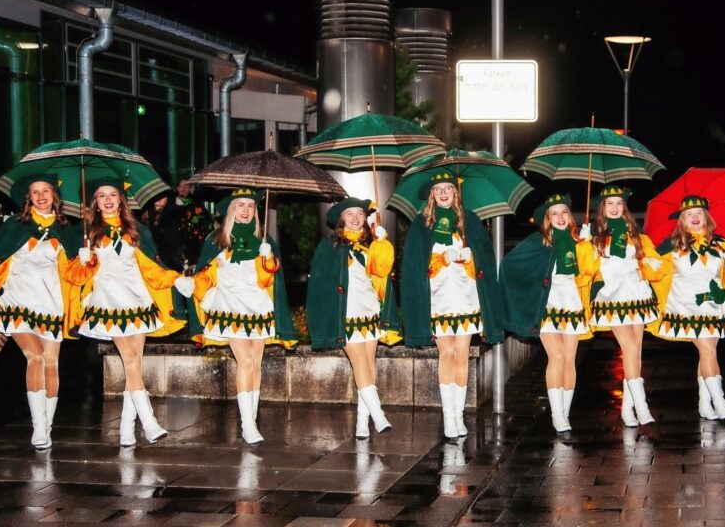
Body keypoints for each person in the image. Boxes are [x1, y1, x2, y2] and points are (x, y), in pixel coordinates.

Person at [65, 178, 190, 446]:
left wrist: (175, 278)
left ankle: (126, 428)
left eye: (112, 194)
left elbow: (150, 267)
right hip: (109, 301)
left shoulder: (136, 229)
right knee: (131, 359)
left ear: (121, 199)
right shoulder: (86, 231)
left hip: (138, 301)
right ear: (95, 202)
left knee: (134, 362)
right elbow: (73, 276)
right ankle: (149, 420)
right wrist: (83, 262)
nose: (108, 200)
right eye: (101, 196)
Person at [186, 188, 297, 444]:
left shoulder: (264, 239)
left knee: (255, 363)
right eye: (240, 205)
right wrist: (191, 284)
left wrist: (269, 260)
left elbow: (268, 280)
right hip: (229, 306)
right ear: (231, 210)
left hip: (258, 306)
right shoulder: (217, 239)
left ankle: (251, 419)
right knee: (245, 361)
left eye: (250, 206)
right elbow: (206, 273)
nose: (246, 211)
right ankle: (247, 424)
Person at [401, 171, 503, 439]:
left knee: (462, 354)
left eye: (448, 188)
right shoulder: (422, 223)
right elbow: (414, 264)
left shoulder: (469, 221)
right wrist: (440, 259)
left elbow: (485, 257)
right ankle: (448, 417)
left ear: (456, 192)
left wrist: (471, 258)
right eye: (438, 189)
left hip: (467, 298)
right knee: (446, 353)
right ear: (432, 195)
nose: (443, 193)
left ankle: (459, 415)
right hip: (438, 299)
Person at [500, 193, 599, 433]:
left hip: (571, 302)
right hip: (548, 304)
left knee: (569, 359)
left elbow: (588, 273)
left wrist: (587, 246)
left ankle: (565, 412)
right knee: (556, 356)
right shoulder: (539, 241)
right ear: (548, 218)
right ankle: (556, 415)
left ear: (570, 215)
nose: (560, 217)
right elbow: (510, 264)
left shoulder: (579, 240)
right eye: (554, 213)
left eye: (564, 212)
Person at [649, 195, 725, 420]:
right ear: (682, 220)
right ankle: (720, 403)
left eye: (699, 213)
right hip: (685, 306)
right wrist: (646, 261)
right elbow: (652, 270)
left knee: (707, 353)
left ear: (706, 217)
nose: (695, 218)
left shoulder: (719, 242)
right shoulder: (671, 245)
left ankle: (704, 404)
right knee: (707, 350)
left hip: (714, 304)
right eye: (689, 214)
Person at [0, 174, 80, 449]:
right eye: (35, 192)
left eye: (46, 191)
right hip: (16, 302)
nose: (41, 196)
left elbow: (74, 274)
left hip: (50, 303)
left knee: (51, 363)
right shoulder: (14, 226)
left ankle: (48, 427)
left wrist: (86, 262)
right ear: (29, 197)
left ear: (54, 195)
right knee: (35, 356)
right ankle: (38, 428)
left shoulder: (65, 229)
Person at [306, 197, 399, 439]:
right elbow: (319, 282)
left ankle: (361, 422)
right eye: (350, 214)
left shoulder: (373, 242)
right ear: (341, 219)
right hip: (345, 312)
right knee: (359, 363)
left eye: (360, 213)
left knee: (369, 364)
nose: (356, 218)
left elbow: (383, 272)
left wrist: (383, 244)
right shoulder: (330, 245)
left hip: (370, 311)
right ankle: (378, 415)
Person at [589, 185, 665, 427]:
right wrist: (582, 243)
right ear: (602, 208)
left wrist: (647, 265)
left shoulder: (636, 235)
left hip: (637, 294)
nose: (615, 208)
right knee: (630, 347)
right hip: (612, 297)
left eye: (619, 203)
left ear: (624, 207)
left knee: (636, 351)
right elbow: (586, 268)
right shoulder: (594, 237)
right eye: (610, 203)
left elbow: (651, 261)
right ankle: (642, 407)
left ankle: (627, 408)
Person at [141, 190, 186, 272]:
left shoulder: (174, 215)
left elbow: (176, 246)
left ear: (168, 198)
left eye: (163, 195)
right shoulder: (142, 216)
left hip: (168, 266)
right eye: (156, 195)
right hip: (147, 263)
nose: (159, 198)